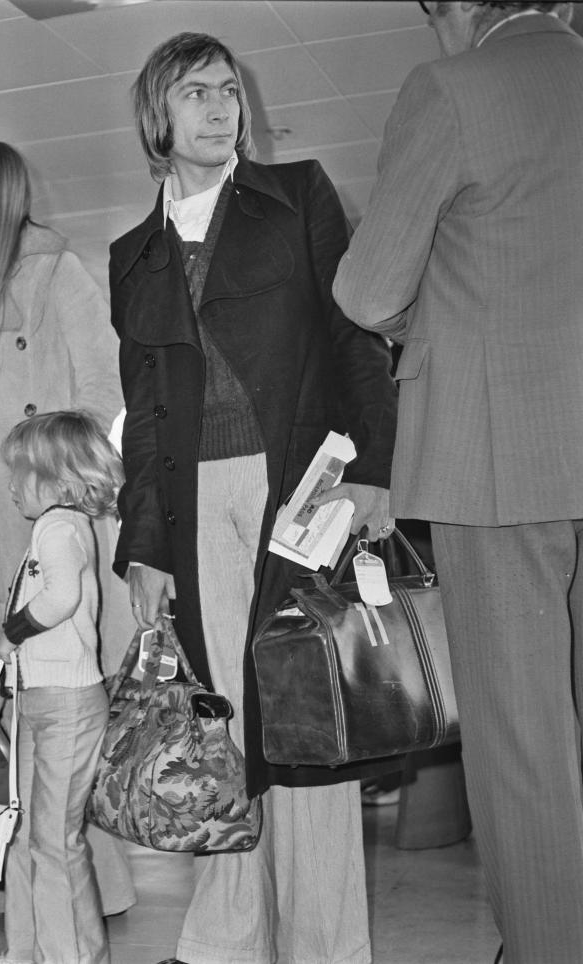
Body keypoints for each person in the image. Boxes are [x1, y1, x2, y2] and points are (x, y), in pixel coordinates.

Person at [111, 32, 398, 964]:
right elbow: (147, 418)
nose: (220, 106)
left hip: (304, 499)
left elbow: (357, 340)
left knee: (307, 714)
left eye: (229, 90)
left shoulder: (300, 195)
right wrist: (144, 549)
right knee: (220, 725)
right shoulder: (134, 254)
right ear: (159, 114)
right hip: (193, 509)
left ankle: (325, 943)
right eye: (196, 92)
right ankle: (228, 937)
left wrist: (377, 475)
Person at [333, 3, 583, 961]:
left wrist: (428, 309)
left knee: (524, 746)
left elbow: (368, 289)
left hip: (500, 455)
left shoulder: (455, 88)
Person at [0, 139, 137, 916]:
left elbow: (107, 388)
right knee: (1, 696)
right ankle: (30, 879)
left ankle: (79, 883)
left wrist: (50, 474)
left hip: (46, 520)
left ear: (14, 196)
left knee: (64, 698)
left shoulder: (56, 273)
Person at [0, 410, 123, 964]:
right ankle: (27, 950)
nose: (11, 485)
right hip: (41, 698)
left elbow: (61, 596)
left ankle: (72, 957)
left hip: (67, 704)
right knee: (25, 834)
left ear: (57, 477)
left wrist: (10, 634)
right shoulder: (53, 528)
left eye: (20, 473)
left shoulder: (58, 526)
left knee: (54, 841)